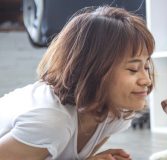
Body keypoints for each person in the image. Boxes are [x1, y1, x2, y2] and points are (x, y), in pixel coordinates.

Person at [0, 5, 155, 160]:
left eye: (146, 67)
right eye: (133, 69)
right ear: (94, 70)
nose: (147, 80)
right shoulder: (51, 121)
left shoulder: (114, 115)